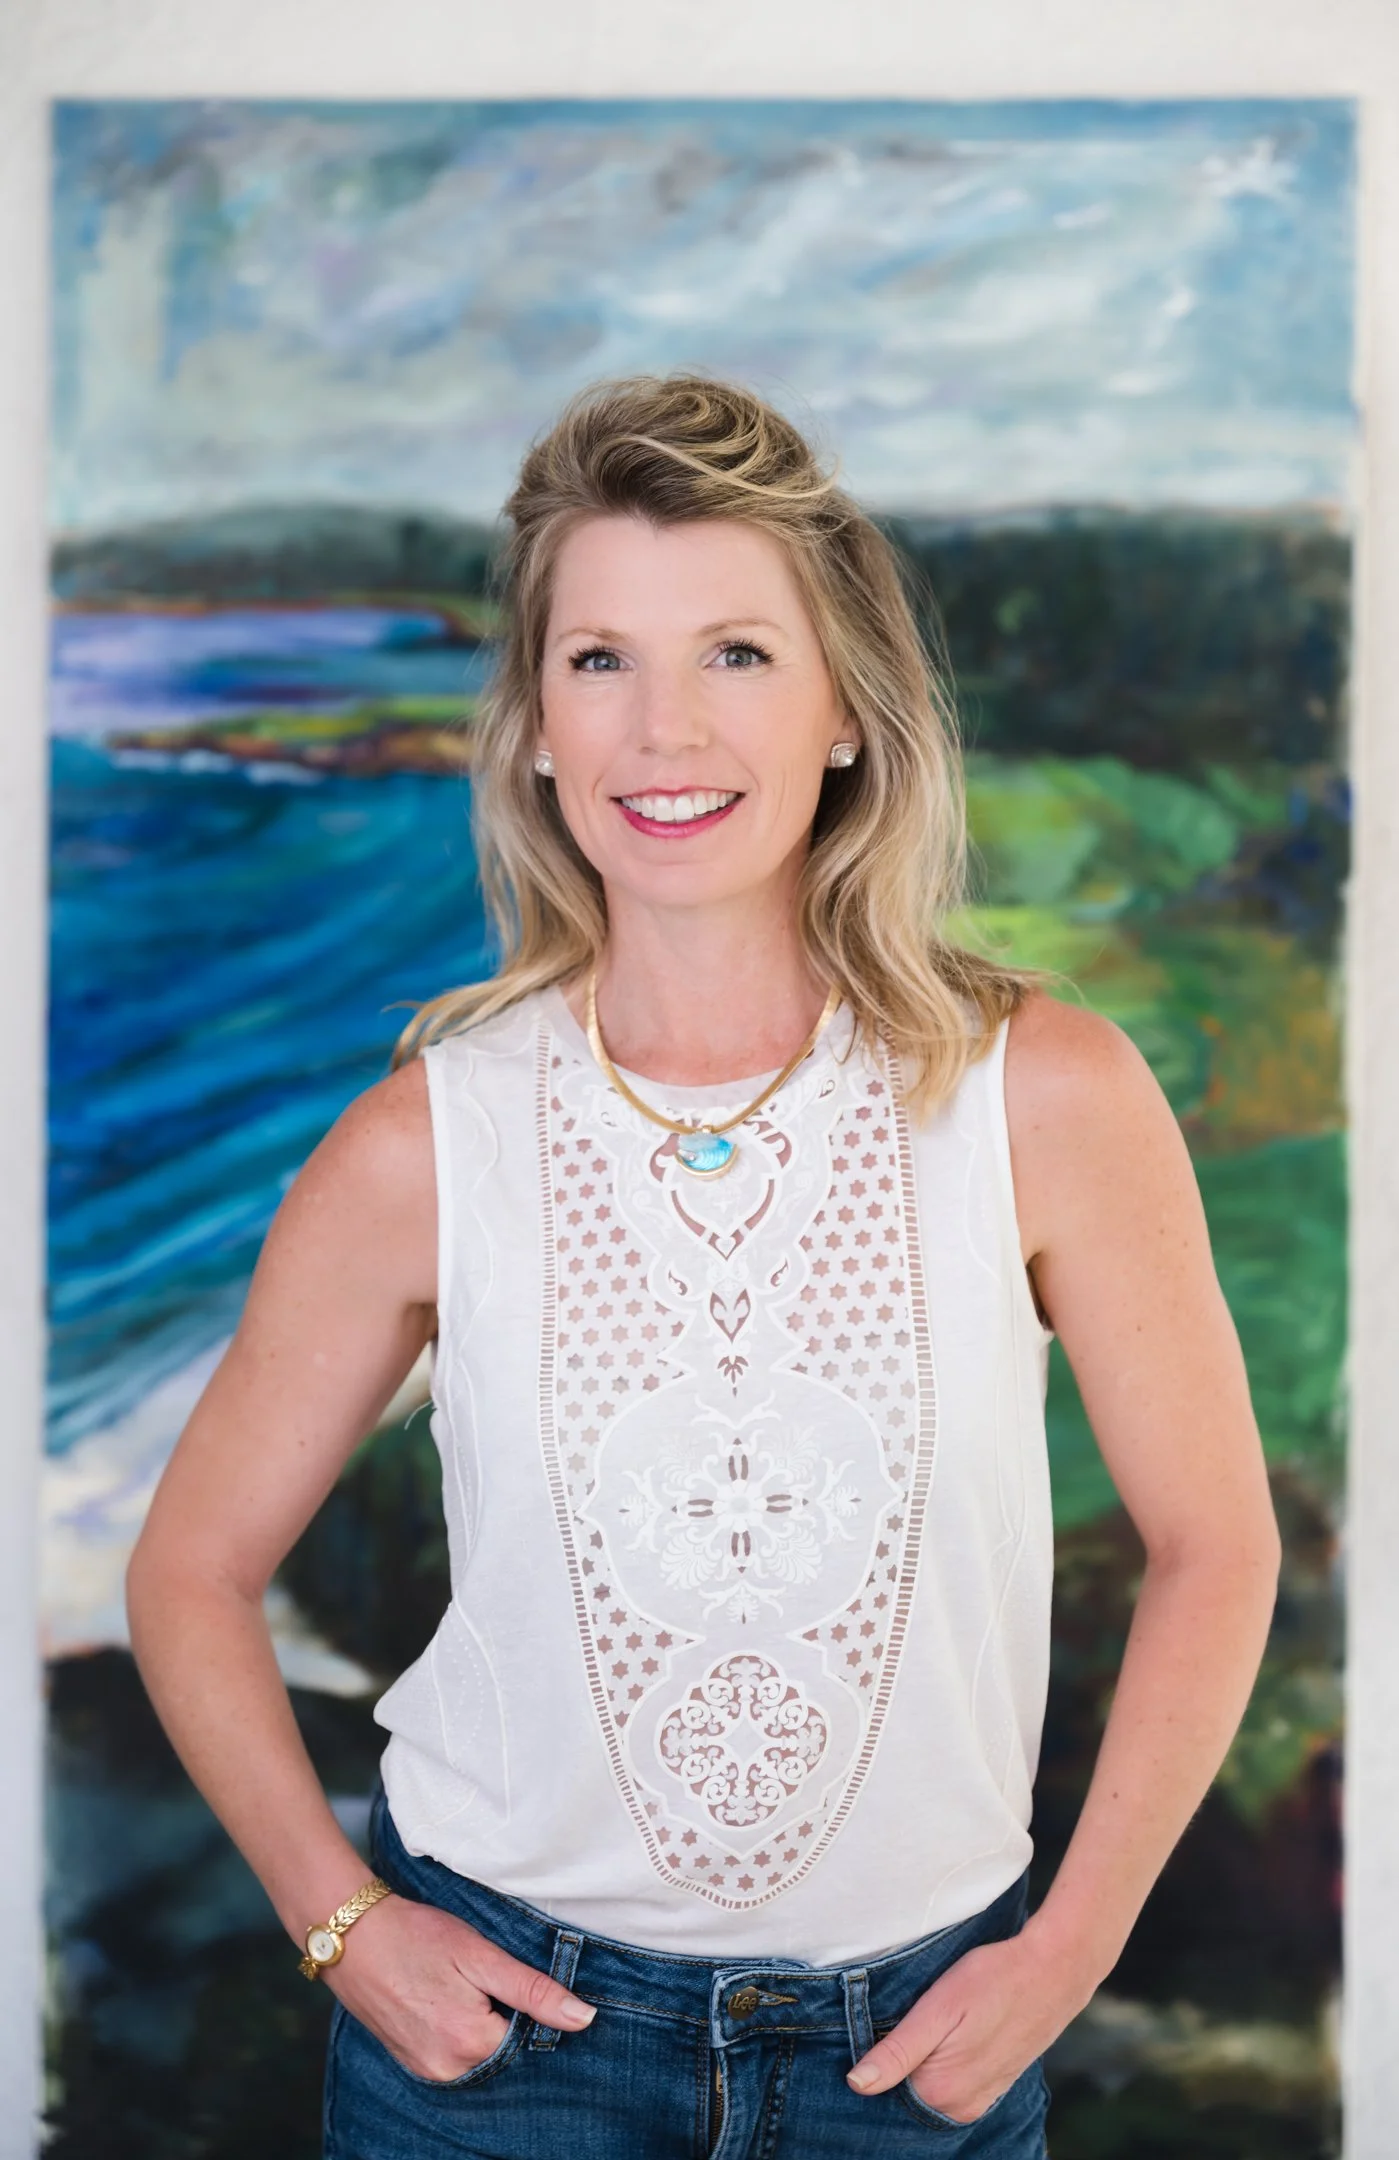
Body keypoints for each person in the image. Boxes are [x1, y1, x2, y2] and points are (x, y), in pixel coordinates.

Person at [126, 375, 1281, 2160]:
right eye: (598, 662)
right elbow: (190, 1571)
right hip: (500, 2070)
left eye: (735, 653)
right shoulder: (421, 1142)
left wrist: (1069, 1952)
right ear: (531, 726)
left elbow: (1216, 1546)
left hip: (916, 2055)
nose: (664, 730)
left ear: (841, 711)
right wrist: (342, 1929)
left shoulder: (1041, 1094)